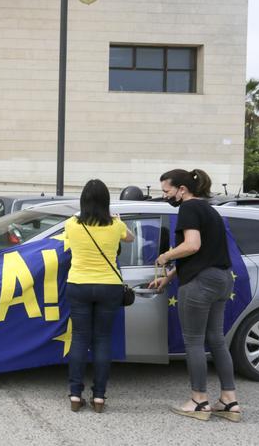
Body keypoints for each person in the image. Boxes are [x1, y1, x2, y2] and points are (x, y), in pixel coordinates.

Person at [149, 169, 242, 422]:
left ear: (182, 189)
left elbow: (192, 245)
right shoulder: (210, 210)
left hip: (200, 283)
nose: (165, 195)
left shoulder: (188, 209)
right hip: (222, 280)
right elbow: (202, 253)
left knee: (193, 341)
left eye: (166, 191)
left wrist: (166, 256)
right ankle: (229, 400)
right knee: (217, 339)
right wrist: (168, 277)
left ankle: (199, 401)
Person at [63, 179, 134, 413]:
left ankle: (75, 395)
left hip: (79, 284)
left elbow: (65, 245)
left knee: (80, 339)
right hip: (108, 286)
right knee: (103, 339)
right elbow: (130, 238)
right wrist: (120, 221)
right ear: (106, 201)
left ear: (83, 200)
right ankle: (100, 398)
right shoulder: (115, 225)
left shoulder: (72, 224)